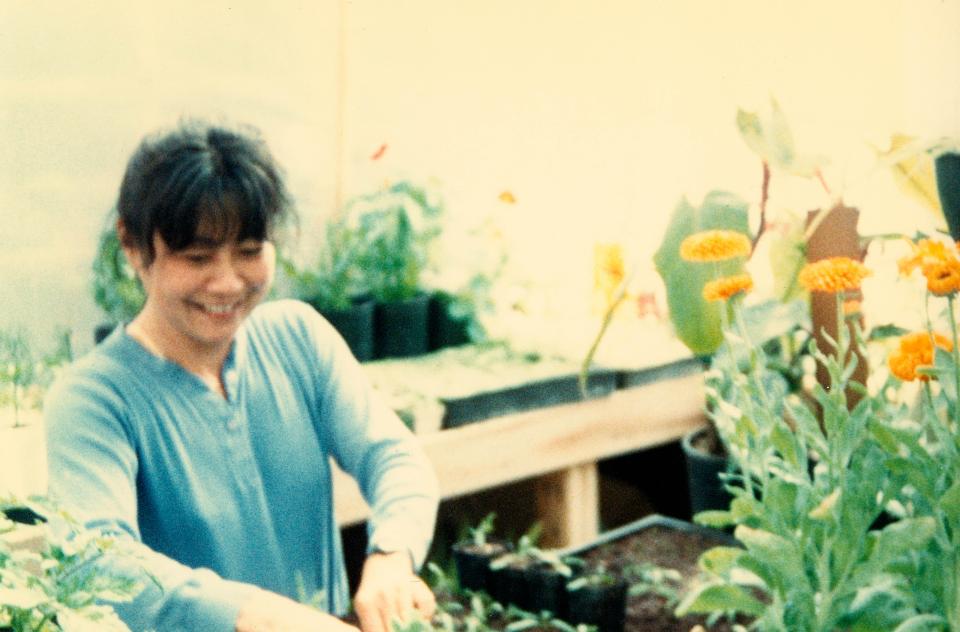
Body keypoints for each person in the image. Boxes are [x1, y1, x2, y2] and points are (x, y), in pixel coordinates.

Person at [44, 120, 440, 632]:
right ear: (133, 247)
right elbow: (97, 563)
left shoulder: (298, 339)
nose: (228, 282)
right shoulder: (94, 399)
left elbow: (394, 456)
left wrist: (391, 557)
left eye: (250, 251)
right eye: (198, 257)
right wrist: (264, 618)